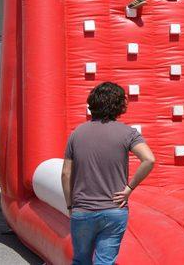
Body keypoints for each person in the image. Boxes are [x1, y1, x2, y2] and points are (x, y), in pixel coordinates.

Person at [61, 82, 155, 265]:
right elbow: (149, 159)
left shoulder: (77, 133)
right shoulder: (128, 133)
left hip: (82, 209)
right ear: (120, 106)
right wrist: (129, 188)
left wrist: (70, 206)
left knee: (80, 260)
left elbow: (66, 174)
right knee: (105, 262)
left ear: (92, 104)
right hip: (114, 209)